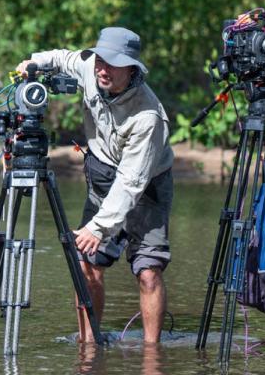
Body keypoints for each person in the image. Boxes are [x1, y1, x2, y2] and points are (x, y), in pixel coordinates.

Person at [17, 27, 174, 344]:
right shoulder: (91, 67)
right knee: (86, 265)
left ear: (131, 68)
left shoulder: (148, 116)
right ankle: (88, 345)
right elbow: (62, 58)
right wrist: (33, 63)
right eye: (100, 60)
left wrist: (99, 227)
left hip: (148, 184)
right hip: (102, 173)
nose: (103, 69)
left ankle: (151, 354)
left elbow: (132, 182)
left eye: (112, 64)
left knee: (147, 271)